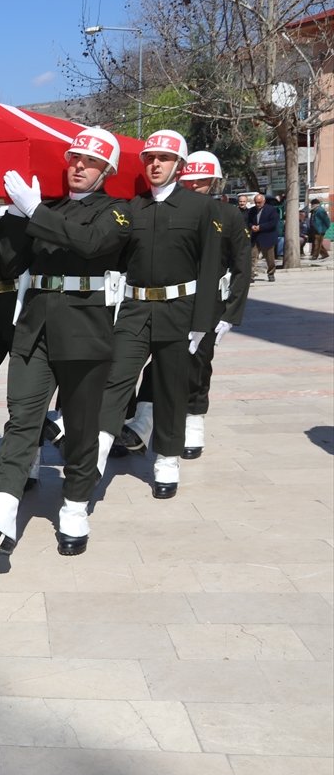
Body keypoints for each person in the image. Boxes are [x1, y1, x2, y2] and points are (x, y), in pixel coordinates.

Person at [0, 128, 131, 557]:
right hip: (34, 327)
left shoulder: (118, 212)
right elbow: (4, 262)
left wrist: (35, 209)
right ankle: (2, 508)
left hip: (85, 329)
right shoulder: (43, 209)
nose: (78, 166)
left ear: (105, 170)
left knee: (82, 422)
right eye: (74, 158)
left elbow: (91, 244)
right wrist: (16, 216)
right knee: (22, 417)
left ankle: (74, 505)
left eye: (89, 162)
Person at [95, 130, 223, 499]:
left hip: (179, 310)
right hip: (134, 309)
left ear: (179, 166)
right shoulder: (133, 207)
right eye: (149, 158)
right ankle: (98, 451)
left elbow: (211, 269)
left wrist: (202, 324)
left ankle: (166, 458)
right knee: (116, 378)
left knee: (170, 389)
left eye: (163, 159)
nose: (154, 164)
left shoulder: (202, 209)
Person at [109, 150, 252, 463]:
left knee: (197, 364)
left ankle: (194, 420)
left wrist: (231, 313)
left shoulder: (226, 214)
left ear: (214, 181)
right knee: (161, 366)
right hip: (175, 301)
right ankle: (143, 423)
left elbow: (243, 266)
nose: (196, 186)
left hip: (210, 301)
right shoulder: (174, 208)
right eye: (192, 180)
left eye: (203, 181)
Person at [249, 193, 279, 282]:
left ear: (264, 201)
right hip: (255, 237)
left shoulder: (271, 210)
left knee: (270, 258)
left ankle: (271, 273)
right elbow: (249, 221)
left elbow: (273, 223)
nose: (257, 205)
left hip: (267, 237)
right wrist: (252, 226)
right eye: (256, 203)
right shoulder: (252, 210)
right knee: (252, 257)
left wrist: (260, 227)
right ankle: (251, 275)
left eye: (259, 202)